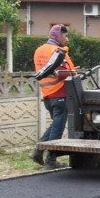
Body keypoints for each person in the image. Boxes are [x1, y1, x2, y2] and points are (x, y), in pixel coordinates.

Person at [31, 24, 75, 169]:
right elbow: (65, 71)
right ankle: (51, 160)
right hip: (60, 92)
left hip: (47, 94)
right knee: (58, 127)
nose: (67, 39)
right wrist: (73, 72)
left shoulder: (39, 50)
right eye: (65, 36)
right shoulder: (58, 51)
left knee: (55, 124)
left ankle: (38, 150)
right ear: (58, 36)